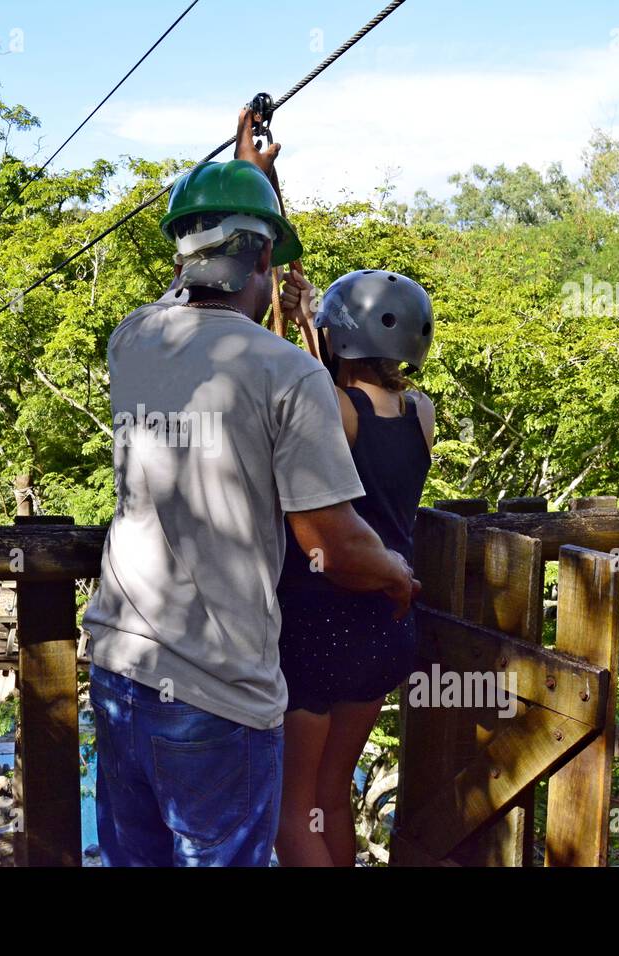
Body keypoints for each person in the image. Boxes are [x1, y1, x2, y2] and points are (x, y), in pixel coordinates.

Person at [82, 110, 421, 867]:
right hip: (216, 690)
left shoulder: (132, 340)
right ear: (266, 255)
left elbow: (202, 292)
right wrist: (397, 574)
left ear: (181, 252)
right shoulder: (287, 371)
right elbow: (332, 546)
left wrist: (250, 189)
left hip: (119, 669)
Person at [272, 267, 437, 866]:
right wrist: (312, 322)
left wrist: (305, 325)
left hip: (317, 625)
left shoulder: (333, 408)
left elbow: (314, 399)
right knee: (330, 796)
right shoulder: (422, 412)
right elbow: (334, 391)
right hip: (385, 626)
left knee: (289, 814)